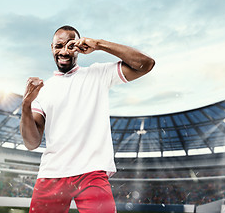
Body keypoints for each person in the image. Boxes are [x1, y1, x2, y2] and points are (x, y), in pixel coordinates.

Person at [20, 25, 155, 213]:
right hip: (52, 173)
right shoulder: (44, 91)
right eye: (59, 46)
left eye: (71, 45)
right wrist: (26, 106)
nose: (64, 51)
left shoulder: (97, 74)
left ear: (80, 47)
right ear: (52, 48)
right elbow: (32, 143)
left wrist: (99, 44)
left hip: (91, 171)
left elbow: (145, 64)